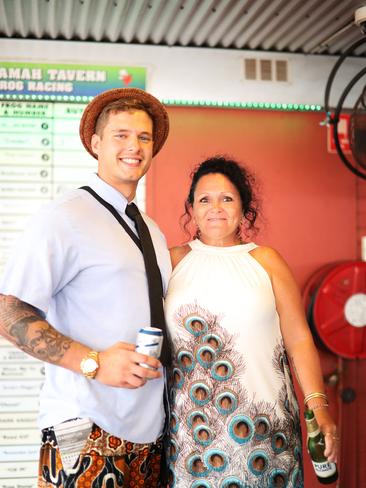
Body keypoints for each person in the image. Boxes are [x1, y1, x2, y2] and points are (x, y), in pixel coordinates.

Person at [0, 87, 171, 487]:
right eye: (121, 135)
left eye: (144, 138)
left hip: (149, 431)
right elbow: (9, 312)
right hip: (82, 426)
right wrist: (93, 362)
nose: (134, 146)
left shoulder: (151, 229)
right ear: (96, 144)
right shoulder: (65, 216)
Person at [164, 156, 338, 487]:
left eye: (227, 198)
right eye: (204, 199)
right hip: (193, 431)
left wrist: (318, 405)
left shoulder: (266, 260)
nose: (215, 207)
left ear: (244, 208)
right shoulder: (173, 261)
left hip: (266, 426)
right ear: (192, 208)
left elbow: (298, 339)